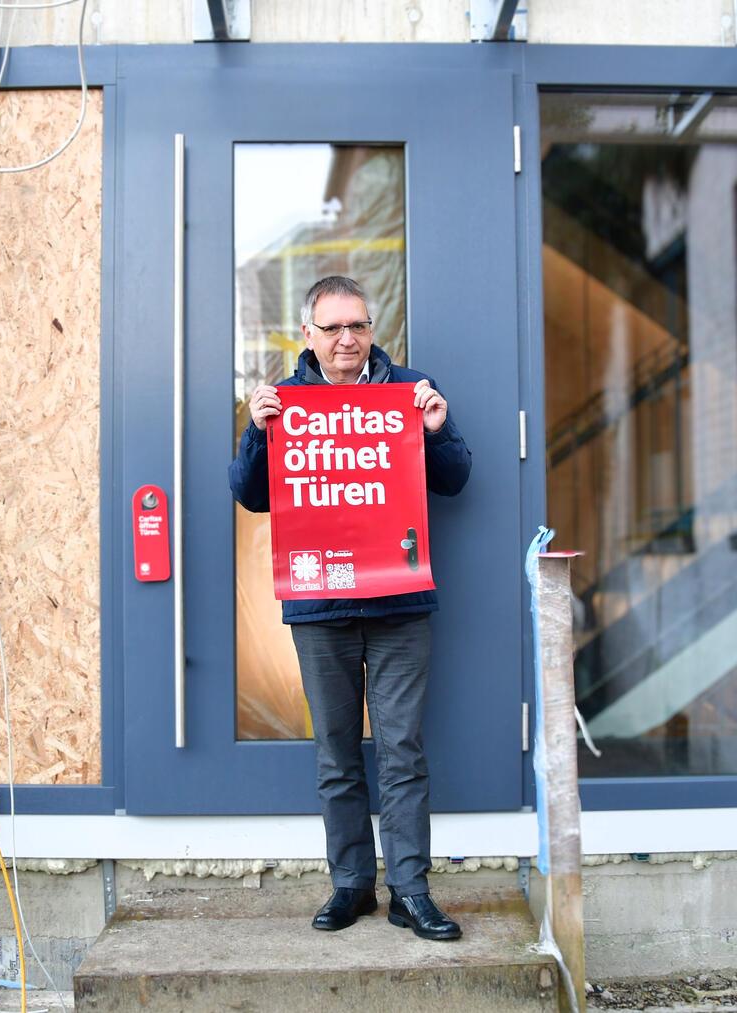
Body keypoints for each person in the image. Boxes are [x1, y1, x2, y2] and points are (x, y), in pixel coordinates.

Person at [228, 275, 471, 941]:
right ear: (307, 334)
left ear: (371, 329)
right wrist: (257, 432)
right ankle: (351, 885)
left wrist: (436, 430)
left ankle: (411, 892)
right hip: (321, 606)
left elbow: (455, 479)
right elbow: (251, 495)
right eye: (332, 327)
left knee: (403, 751)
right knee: (336, 753)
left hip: (400, 603)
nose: (346, 339)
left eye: (357, 325)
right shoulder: (285, 402)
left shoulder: (410, 391)